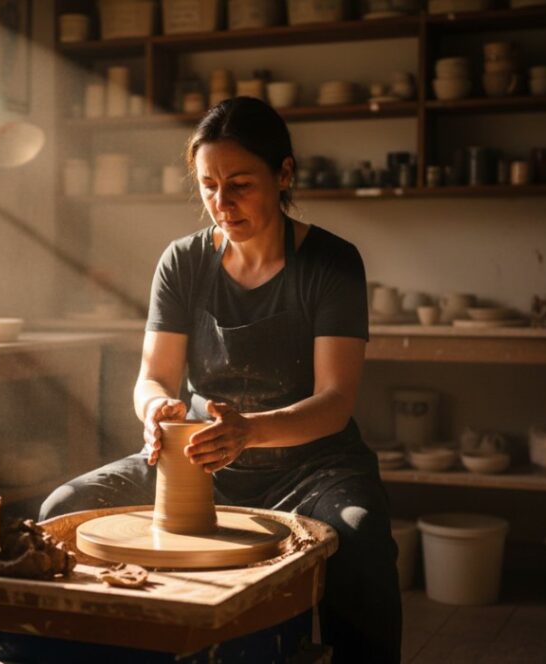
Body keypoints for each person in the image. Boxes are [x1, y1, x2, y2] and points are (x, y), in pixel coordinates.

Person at [40, 96, 402, 662]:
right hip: (199, 461)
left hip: (312, 468)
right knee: (62, 508)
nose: (221, 204)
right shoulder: (183, 262)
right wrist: (155, 410)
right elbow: (152, 378)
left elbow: (335, 401)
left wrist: (249, 432)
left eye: (240, 185)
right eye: (208, 185)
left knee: (360, 537)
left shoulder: (331, 262)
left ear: (284, 174)